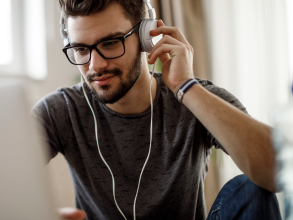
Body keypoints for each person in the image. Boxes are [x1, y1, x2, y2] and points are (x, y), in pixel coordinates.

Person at [32, 0, 282, 219]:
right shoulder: (61, 110)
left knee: (250, 192)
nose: (95, 65)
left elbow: (277, 172)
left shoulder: (194, 97)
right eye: (81, 49)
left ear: (146, 37)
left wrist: (186, 87)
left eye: (110, 43)